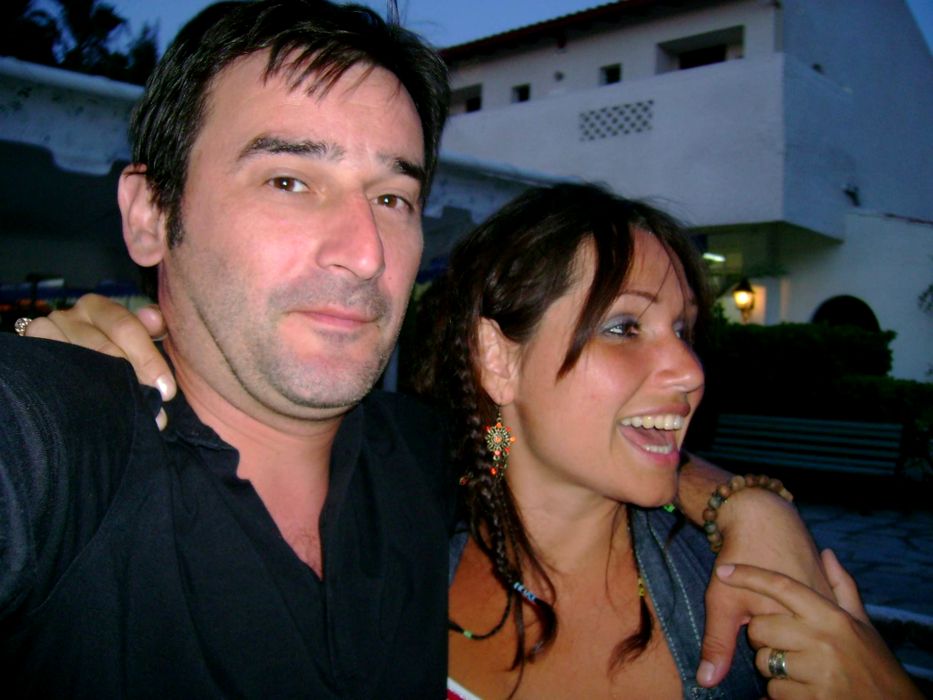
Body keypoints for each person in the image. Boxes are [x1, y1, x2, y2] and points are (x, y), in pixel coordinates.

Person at [4, 0, 837, 695]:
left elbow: (517, 450)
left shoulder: (421, 461)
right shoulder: (58, 442)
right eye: (289, 180)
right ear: (150, 214)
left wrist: (742, 505)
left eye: (392, 198)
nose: (364, 251)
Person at [418, 183, 921, 699]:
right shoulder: (405, 547)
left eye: (682, 330)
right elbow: (490, 454)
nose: (690, 370)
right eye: (623, 327)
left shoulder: (743, 601)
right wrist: (748, 502)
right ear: (498, 360)